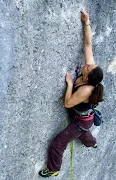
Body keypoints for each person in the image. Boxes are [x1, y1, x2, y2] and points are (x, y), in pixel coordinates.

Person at [39, 9, 104, 178]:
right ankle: (92, 143)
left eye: (89, 67)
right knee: (82, 132)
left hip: (81, 121)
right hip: (83, 118)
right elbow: (88, 45)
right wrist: (86, 22)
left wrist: (69, 84)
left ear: (89, 77)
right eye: (90, 65)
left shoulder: (85, 90)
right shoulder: (90, 75)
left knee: (58, 143)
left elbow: (68, 103)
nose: (88, 64)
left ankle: (53, 169)